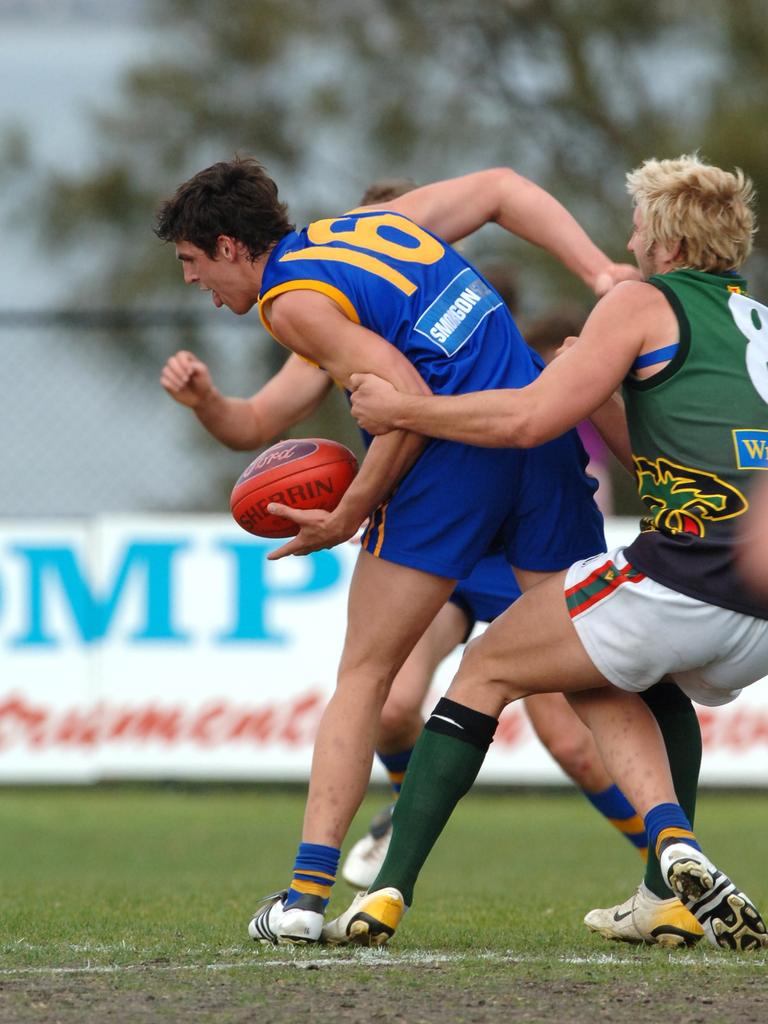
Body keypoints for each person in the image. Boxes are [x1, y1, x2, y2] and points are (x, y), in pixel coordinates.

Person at [155, 157, 645, 947]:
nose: (192, 282)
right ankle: (676, 861)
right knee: (590, 669)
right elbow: (499, 187)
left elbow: (398, 391)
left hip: (454, 458)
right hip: (534, 425)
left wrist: (349, 511)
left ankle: (305, 898)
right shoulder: (374, 227)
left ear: (228, 246)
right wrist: (597, 271)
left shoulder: (291, 301)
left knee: (364, 674)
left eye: (191, 263)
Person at [328, 153, 768, 952]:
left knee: (487, 668)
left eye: (639, 222)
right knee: (646, 679)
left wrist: (408, 409)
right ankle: (663, 887)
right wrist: (599, 393)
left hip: (690, 574)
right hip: (757, 599)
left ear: (666, 240)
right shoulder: (755, 321)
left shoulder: (641, 301)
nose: (630, 236)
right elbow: (667, 461)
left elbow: (529, 421)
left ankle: (386, 891)